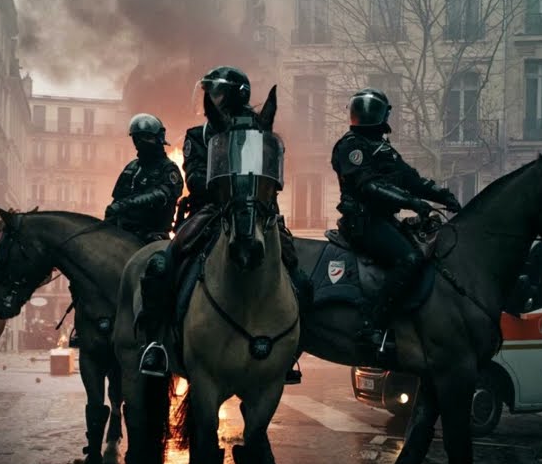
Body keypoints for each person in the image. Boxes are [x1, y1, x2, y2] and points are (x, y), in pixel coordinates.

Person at [138, 65, 312, 383]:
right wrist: (225, 182)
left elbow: (269, 175)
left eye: (216, 92)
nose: (212, 98)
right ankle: (156, 343)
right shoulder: (196, 136)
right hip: (211, 210)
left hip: (255, 211)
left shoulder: (259, 133)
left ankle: (290, 352)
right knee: (163, 264)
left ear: (234, 96)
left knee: (300, 278)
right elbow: (192, 176)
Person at [331, 88, 463, 358]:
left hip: (383, 220)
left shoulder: (384, 150)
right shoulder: (350, 146)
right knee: (408, 260)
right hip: (363, 222)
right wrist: (411, 202)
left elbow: (412, 179)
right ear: (383, 115)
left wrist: (443, 195)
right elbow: (368, 185)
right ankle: (372, 325)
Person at [104, 113, 182, 245]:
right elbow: (117, 198)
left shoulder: (169, 169)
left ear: (158, 139)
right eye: (137, 138)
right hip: (122, 232)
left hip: (153, 236)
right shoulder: (132, 167)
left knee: (158, 264)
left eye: (146, 137)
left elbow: (161, 195)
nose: (141, 142)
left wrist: (124, 204)